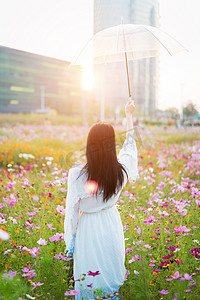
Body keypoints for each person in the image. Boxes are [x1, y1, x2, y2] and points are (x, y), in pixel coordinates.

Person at [64, 98, 139, 299]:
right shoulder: (120, 171)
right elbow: (130, 146)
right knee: (109, 272)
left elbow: (71, 212)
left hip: (87, 229)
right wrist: (128, 115)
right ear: (111, 145)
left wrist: (70, 241)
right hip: (111, 223)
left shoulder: (77, 175)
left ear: (89, 145)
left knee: (89, 278)